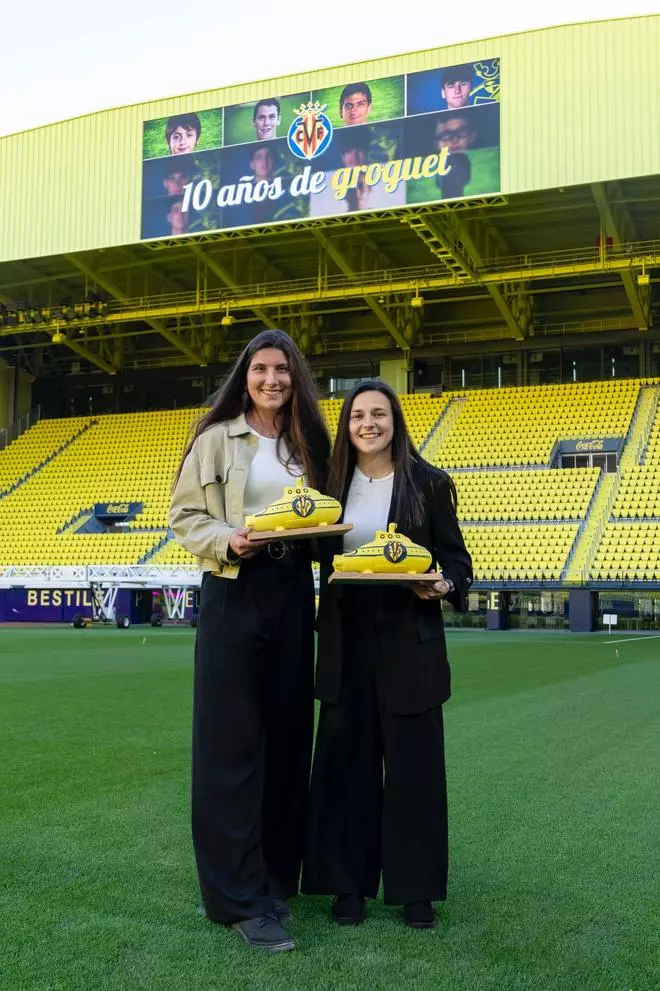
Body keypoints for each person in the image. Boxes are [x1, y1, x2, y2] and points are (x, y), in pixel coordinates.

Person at [169, 330, 331, 953]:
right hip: (236, 588)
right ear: (246, 375)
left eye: (283, 370)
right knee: (232, 745)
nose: (272, 379)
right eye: (261, 369)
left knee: (288, 739)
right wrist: (228, 539)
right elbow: (185, 517)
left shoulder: (307, 444)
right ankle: (235, 901)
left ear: (296, 378)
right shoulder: (217, 439)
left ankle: (270, 882)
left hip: (292, 590)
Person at [302, 380, 473, 930]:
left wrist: (443, 586)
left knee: (414, 771)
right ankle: (347, 885)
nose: (368, 423)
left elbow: (458, 564)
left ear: (396, 421)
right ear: (347, 425)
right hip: (346, 640)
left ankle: (415, 890)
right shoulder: (328, 487)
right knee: (345, 766)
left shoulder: (429, 483)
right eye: (357, 416)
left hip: (410, 641)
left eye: (379, 414)